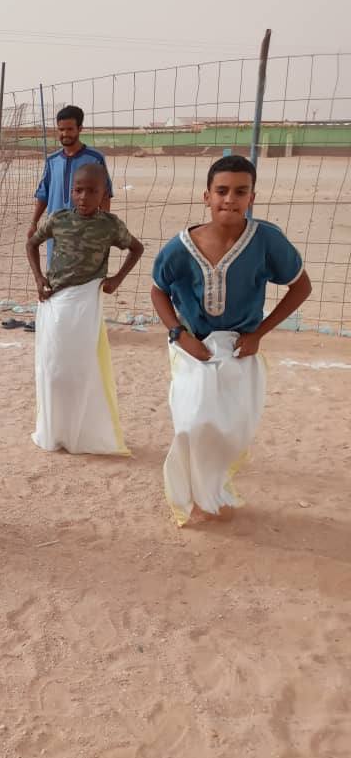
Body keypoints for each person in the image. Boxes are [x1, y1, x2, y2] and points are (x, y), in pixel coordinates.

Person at [151, 154, 312, 525]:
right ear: (206, 196)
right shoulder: (181, 246)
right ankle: (192, 498)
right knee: (192, 423)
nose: (230, 199)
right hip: (194, 348)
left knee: (231, 430)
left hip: (240, 348)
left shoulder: (266, 240)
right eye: (221, 191)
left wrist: (259, 333)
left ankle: (214, 490)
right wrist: (178, 334)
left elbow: (300, 286)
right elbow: (158, 290)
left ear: (252, 197)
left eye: (241, 191)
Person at [26, 163, 143, 455]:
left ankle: (81, 432)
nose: (84, 197)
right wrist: (39, 279)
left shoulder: (110, 225)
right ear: (70, 191)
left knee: (80, 369)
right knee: (52, 369)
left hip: (85, 303)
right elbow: (31, 244)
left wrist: (117, 279)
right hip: (54, 301)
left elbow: (137, 248)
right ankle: (54, 431)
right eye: (78, 190)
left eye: (92, 191)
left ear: (103, 194)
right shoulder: (58, 219)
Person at [28, 105, 113, 264]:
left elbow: (105, 195)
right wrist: (34, 223)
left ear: (80, 128)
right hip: (56, 231)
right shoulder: (52, 161)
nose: (65, 134)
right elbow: (43, 194)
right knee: (55, 278)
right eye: (61, 129)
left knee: (83, 276)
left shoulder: (95, 158)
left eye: (69, 129)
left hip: (85, 231)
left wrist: (104, 225)